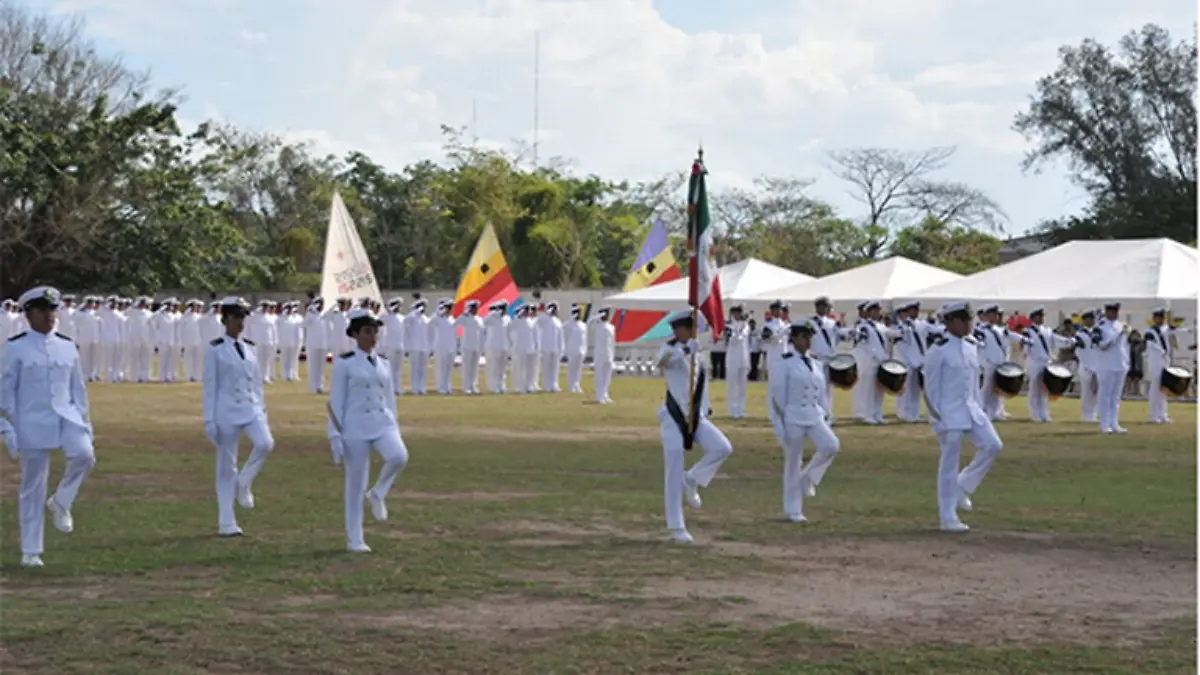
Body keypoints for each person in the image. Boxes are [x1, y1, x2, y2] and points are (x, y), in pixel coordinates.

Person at [0, 286, 97, 567]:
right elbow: (4, 392)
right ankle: (31, 550)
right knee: (33, 486)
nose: (50, 316)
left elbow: (78, 389)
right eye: (43, 311)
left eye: (53, 310)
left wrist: (86, 424)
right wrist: (7, 430)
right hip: (30, 421)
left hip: (66, 417)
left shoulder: (67, 346)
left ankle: (62, 501)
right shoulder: (16, 348)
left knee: (84, 455)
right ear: (28, 314)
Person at [326, 308, 410, 553]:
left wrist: (395, 425)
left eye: (375, 331)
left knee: (398, 456)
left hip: (382, 422)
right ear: (355, 334)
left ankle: (378, 492)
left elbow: (390, 397)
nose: (373, 336)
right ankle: (355, 538)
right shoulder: (345, 363)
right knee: (355, 485)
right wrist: (334, 435)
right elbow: (335, 401)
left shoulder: (383, 361)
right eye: (367, 331)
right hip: (355, 427)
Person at [922, 301, 1002, 533]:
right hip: (948, 414)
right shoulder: (938, 349)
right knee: (949, 464)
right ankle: (947, 516)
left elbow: (973, 383)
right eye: (965, 320)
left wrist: (979, 408)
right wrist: (937, 419)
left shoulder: (971, 345)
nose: (970, 324)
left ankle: (962, 485)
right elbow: (930, 389)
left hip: (971, 409)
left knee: (993, 445)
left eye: (970, 320)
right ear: (951, 322)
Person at [655, 311, 732, 544]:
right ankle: (677, 526)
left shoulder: (698, 354)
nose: (678, 332)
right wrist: (687, 350)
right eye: (677, 328)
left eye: (683, 328)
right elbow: (663, 363)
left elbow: (701, 384)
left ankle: (693, 478)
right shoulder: (669, 348)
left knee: (722, 447)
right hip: (672, 415)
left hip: (694, 416)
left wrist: (706, 408)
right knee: (674, 460)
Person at [202, 297, 276, 537]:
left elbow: (256, 382)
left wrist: (262, 409)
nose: (240, 323)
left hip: (250, 407)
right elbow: (210, 386)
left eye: (243, 318)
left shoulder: (250, 347)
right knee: (226, 467)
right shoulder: (215, 348)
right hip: (226, 411)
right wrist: (209, 420)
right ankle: (227, 522)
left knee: (265, 443)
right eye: (236, 318)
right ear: (225, 320)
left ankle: (244, 481)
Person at [768, 321, 839, 523]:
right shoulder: (785, 363)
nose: (808, 341)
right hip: (792, 417)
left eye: (809, 337)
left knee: (831, 446)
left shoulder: (816, 364)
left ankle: (807, 478)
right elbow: (777, 398)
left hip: (814, 415)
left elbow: (821, 394)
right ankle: (793, 509)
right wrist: (779, 426)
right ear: (794, 339)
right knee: (793, 462)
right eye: (803, 337)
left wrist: (827, 415)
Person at [1022, 307, 1076, 423]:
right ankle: (1035, 413)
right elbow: (1025, 349)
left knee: (1044, 389)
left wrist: (1070, 341)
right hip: (1034, 361)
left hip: (1046, 361)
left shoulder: (1047, 330)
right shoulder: (1028, 331)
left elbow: (1057, 340)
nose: (1041, 318)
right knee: (1034, 388)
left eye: (1042, 316)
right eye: (1039, 316)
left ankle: (1044, 413)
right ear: (1033, 318)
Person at [1145, 307, 1193, 423]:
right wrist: (1163, 352)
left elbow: (1177, 330)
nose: (1160, 320)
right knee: (1156, 388)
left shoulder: (1165, 329)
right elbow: (1151, 344)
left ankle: (1163, 414)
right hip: (1155, 361)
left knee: (1165, 388)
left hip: (1165, 361)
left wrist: (1191, 329)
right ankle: (1153, 414)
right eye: (1158, 318)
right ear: (1154, 318)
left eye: (1162, 318)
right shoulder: (1150, 331)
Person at [1093, 302, 1130, 434]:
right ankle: (1104, 424)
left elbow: (1124, 346)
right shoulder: (1100, 327)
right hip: (1106, 365)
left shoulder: (1121, 326)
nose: (1114, 314)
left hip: (1120, 364)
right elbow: (1100, 346)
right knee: (1105, 395)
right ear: (1107, 312)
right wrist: (1116, 337)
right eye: (1112, 311)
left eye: (1116, 311)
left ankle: (1114, 422)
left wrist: (1126, 361)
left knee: (1116, 396)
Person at [724, 305, 751, 418]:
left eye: (738, 312)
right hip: (732, 359)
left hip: (743, 358)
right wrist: (736, 332)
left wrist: (740, 330)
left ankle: (741, 410)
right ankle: (732, 410)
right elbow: (730, 340)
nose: (737, 315)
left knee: (742, 386)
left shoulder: (745, 325)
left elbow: (743, 335)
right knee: (732, 386)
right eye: (735, 312)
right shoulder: (728, 326)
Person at [1074, 310, 1100, 422]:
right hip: (1086, 366)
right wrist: (1087, 365)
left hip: (1098, 365)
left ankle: (1096, 414)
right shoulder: (1080, 334)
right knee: (1087, 392)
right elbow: (1079, 352)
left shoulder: (1099, 333)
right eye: (1088, 319)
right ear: (1084, 321)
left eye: (1092, 318)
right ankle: (1087, 415)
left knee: (1098, 392)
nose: (1091, 321)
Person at [455, 300, 485, 395]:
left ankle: (473, 386)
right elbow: (456, 323)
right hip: (467, 346)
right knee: (467, 368)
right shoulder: (465, 318)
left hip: (476, 346)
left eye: (476, 308)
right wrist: (465, 313)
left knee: (474, 368)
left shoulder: (480, 319)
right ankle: (466, 387)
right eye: (474, 308)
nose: (476, 309)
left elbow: (482, 333)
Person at [591, 306, 615, 404]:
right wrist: (598, 316)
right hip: (600, 354)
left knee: (607, 376)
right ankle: (599, 396)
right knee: (600, 376)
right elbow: (589, 322)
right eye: (606, 314)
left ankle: (605, 394)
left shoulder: (611, 327)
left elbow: (613, 342)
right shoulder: (597, 325)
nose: (607, 316)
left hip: (608, 354)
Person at [563, 305, 588, 393]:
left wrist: (585, 350)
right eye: (577, 313)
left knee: (578, 369)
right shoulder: (568, 325)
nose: (578, 315)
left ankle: (577, 384)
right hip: (572, 349)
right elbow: (564, 335)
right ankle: (571, 386)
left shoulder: (583, 325)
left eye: (579, 313)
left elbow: (584, 338)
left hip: (581, 350)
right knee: (571, 368)